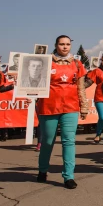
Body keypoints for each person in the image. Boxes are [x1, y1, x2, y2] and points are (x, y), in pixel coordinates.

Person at [36, 36, 89, 189]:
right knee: (47, 141)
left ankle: (68, 176)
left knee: (69, 141)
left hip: (70, 107)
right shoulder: (46, 62)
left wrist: (84, 106)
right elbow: (35, 83)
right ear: (56, 45)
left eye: (67, 44)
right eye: (61, 44)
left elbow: (81, 87)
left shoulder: (77, 64)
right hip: (48, 107)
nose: (65, 47)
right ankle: (42, 170)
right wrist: (30, 96)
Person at [85, 53, 103, 145]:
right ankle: (98, 134)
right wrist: (79, 87)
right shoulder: (97, 71)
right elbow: (88, 83)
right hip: (99, 97)